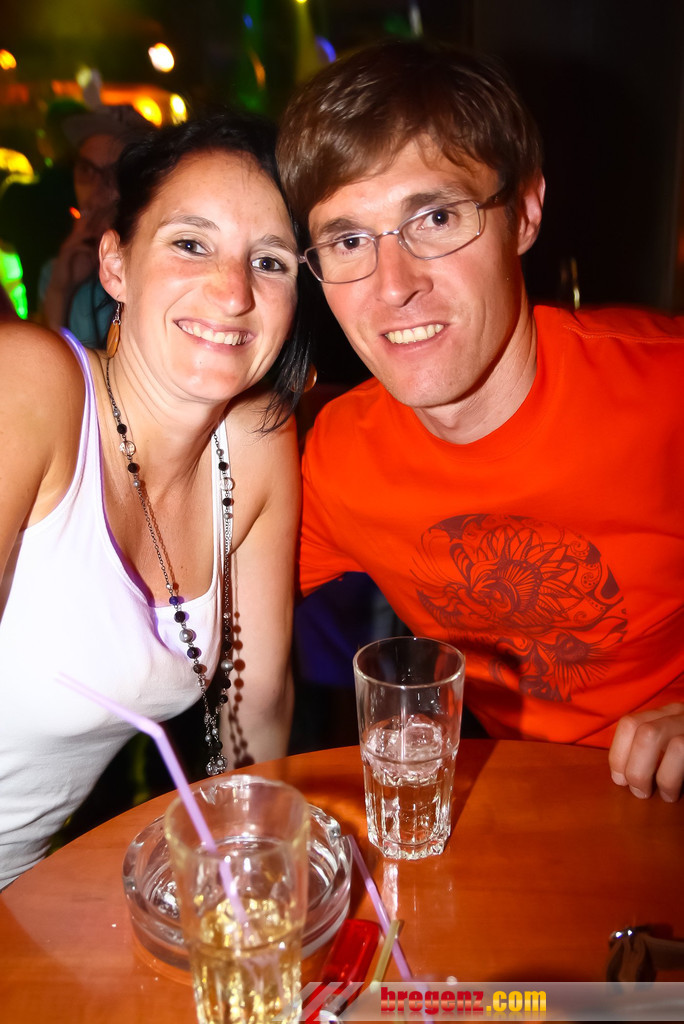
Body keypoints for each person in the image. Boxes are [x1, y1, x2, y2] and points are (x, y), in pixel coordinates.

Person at [276, 39, 684, 802]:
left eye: (435, 217)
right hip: (511, 803)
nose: (393, 287)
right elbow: (191, 611)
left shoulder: (667, 391)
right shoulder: (339, 456)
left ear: (524, 212)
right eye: (349, 240)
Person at [0, 111, 310, 889]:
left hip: (33, 883)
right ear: (116, 265)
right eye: (191, 244)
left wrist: (254, 869)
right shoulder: (29, 385)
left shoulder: (256, 443)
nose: (233, 292)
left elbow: (256, 707)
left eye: (269, 260)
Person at [40, 105, 154, 346]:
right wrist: (60, 290)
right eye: (86, 170)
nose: (96, 188)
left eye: (114, 174)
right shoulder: (59, 271)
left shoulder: (157, 269)